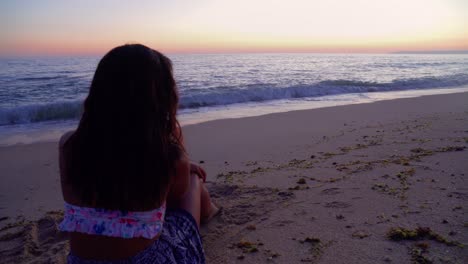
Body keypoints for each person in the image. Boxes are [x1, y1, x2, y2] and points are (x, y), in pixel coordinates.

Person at [58, 44, 219, 263]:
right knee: (192, 180)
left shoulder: (69, 146)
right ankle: (209, 211)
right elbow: (175, 196)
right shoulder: (169, 156)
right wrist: (173, 137)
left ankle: (209, 209)